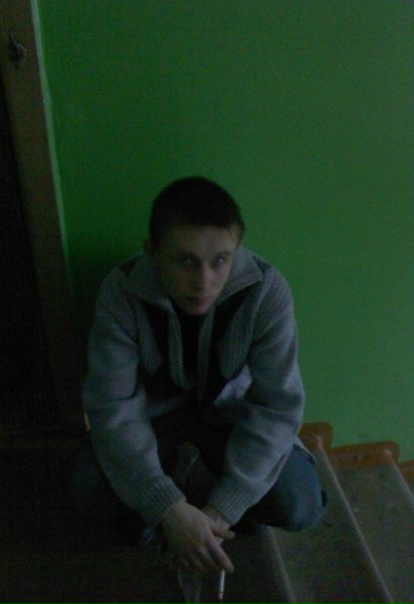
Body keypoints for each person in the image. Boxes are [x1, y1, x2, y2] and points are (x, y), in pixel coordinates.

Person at [71, 176, 327, 575]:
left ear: (236, 250)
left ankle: (211, 519)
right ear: (153, 252)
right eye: (186, 261)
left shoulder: (266, 290)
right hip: (155, 419)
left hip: (230, 416)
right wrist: (167, 508)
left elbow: (277, 408)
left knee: (300, 504)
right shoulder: (120, 292)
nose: (204, 281)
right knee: (87, 491)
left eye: (220, 260)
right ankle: (163, 515)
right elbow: (113, 406)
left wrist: (221, 511)